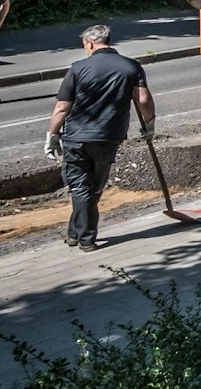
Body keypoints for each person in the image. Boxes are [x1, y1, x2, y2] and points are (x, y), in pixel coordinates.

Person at [43, 24, 155, 250]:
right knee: (94, 187)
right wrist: (150, 124)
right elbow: (142, 99)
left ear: (90, 43)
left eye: (84, 44)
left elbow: (62, 108)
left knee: (80, 187)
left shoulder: (78, 68)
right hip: (109, 136)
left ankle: (85, 239)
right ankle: (74, 234)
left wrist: (52, 135)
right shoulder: (131, 66)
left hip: (77, 137)